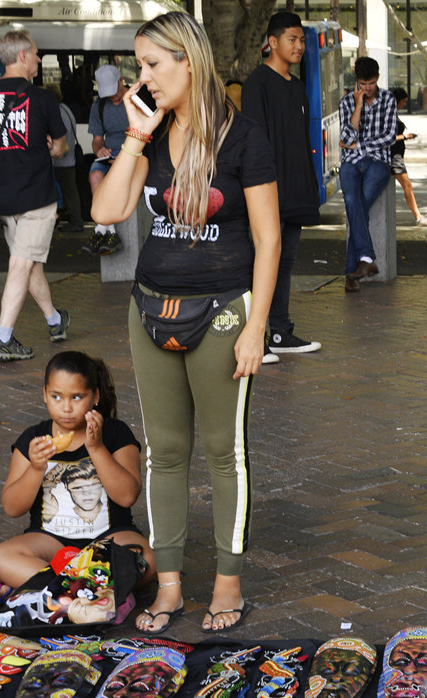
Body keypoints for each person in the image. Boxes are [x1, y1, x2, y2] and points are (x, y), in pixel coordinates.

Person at [91, 11, 279, 634]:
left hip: (224, 310)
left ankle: (228, 581)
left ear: (188, 64)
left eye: (152, 65)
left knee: (225, 453)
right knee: (166, 453)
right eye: (139, 64)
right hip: (149, 306)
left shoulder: (243, 136)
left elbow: (268, 238)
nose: (140, 78)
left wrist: (258, 328)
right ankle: (168, 584)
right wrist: (135, 138)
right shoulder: (153, 132)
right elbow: (106, 209)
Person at [0, 350, 156, 608]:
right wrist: (36, 467)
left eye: (77, 397)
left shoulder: (115, 433)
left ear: (95, 397)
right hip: (50, 542)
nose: (66, 407)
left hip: (109, 537)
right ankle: (99, 598)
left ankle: (42, 591)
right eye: (56, 397)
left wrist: (96, 448)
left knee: (147, 560)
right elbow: (12, 507)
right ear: (44, 395)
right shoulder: (34, 439)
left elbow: (128, 495)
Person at [0, 30, 70, 362]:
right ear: (23, 56)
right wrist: (50, 147)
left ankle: (56, 321)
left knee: (28, 266)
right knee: (21, 265)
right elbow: (60, 147)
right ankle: (3, 338)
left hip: (1, 198)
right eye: (37, 53)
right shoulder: (42, 99)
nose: (40, 60)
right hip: (35, 197)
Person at [241, 11, 322, 361]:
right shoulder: (258, 84)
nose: (299, 46)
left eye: (302, 40)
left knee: (284, 262)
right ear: (272, 42)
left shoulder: (297, 86)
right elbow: (255, 143)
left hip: (294, 192)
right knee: (259, 260)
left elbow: (302, 144)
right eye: (293, 39)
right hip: (265, 191)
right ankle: (252, 336)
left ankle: (279, 332)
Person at [338, 56, 396, 293]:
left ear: (378, 79)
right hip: (350, 163)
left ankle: (354, 272)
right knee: (355, 204)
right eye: (363, 83)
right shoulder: (347, 102)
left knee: (357, 208)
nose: (368, 88)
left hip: (378, 163)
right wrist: (358, 106)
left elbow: (389, 136)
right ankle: (365, 261)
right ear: (357, 81)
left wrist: (360, 147)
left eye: (371, 83)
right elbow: (346, 138)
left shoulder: (389, 99)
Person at [82, 65, 128, 257]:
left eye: (115, 90)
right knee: (95, 176)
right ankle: (109, 231)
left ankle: (101, 230)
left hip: (133, 153)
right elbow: (97, 140)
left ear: (121, 81)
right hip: (109, 153)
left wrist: (125, 155)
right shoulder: (99, 106)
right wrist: (99, 150)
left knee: (118, 180)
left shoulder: (136, 100)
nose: (113, 96)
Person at [387, 87, 427, 227]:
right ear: (397, 101)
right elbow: (388, 138)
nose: (405, 104)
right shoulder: (389, 116)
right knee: (407, 185)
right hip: (394, 157)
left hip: (396, 155)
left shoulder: (392, 114)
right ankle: (418, 216)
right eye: (403, 101)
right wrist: (406, 136)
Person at [46, 83, 84, 233]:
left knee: (49, 190)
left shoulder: (55, 112)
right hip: (70, 159)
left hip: (58, 160)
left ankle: (61, 220)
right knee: (71, 192)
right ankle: (76, 220)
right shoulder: (66, 109)